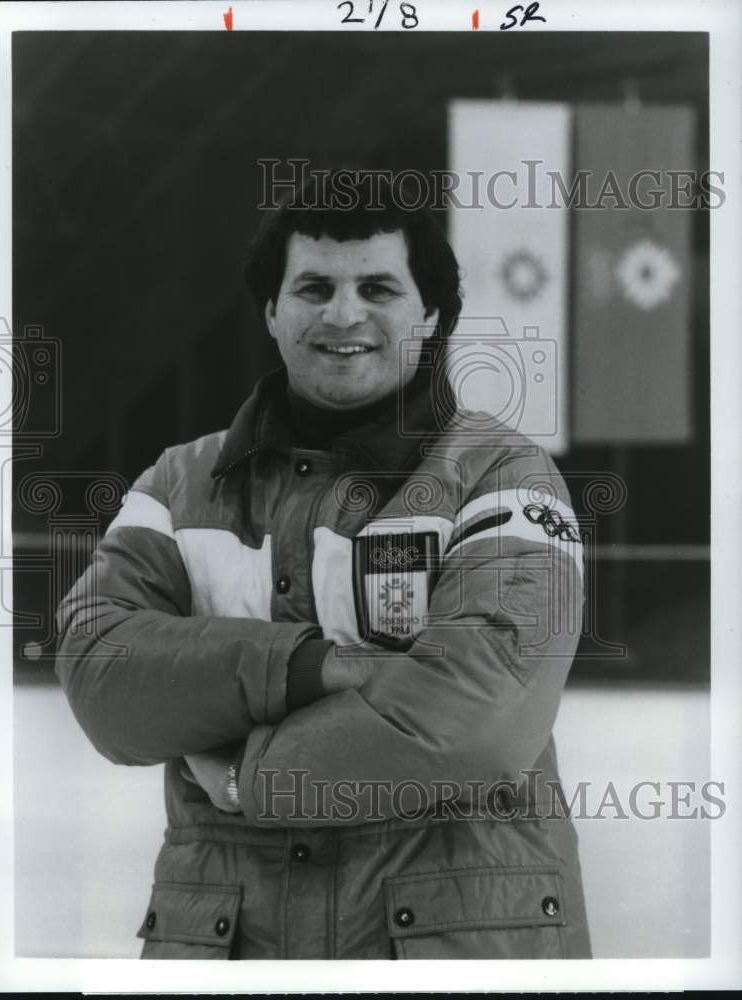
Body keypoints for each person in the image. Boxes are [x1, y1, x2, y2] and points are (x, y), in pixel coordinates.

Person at [55, 169, 592, 960]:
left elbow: (479, 715)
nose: (345, 314)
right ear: (273, 311)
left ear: (432, 314)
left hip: (456, 948)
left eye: (378, 287)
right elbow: (102, 676)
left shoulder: (503, 474)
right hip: (228, 946)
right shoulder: (177, 483)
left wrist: (246, 778)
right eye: (313, 288)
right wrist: (311, 668)